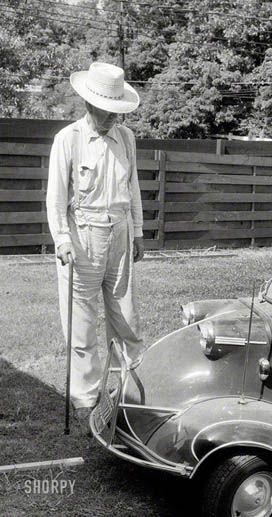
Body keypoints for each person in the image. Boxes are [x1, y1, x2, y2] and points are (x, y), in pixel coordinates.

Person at [46, 62, 145, 419]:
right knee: (82, 323)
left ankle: (133, 387)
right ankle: (86, 396)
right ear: (89, 106)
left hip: (119, 236)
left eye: (116, 114)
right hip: (82, 238)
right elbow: (56, 198)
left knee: (127, 317)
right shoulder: (68, 140)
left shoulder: (127, 138)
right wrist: (62, 239)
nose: (111, 120)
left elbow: (132, 188)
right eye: (105, 113)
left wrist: (137, 233)